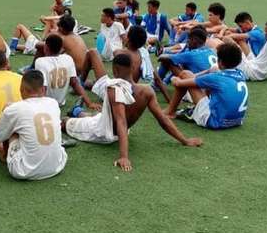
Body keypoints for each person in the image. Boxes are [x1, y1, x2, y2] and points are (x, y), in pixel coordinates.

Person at [64, 53, 202, 172]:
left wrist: (124, 156)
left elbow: (121, 121)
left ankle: (73, 115)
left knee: (64, 123)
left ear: (115, 70)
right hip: (114, 128)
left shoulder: (114, 88)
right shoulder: (146, 90)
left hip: (103, 134)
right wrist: (184, 140)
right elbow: (162, 119)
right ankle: (77, 111)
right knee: (95, 117)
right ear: (132, 68)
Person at [0, 70, 68, 180]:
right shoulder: (53, 103)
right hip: (57, 165)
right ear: (43, 89)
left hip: (24, 171)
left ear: (21, 90)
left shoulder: (14, 109)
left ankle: (5, 156)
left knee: (11, 127)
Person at [167, 43, 249, 129]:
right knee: (213, 88)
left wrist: (174, 79)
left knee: (185, 74)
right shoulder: (240, 74)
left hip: (214, 121)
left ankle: (170, 111)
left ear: (220, 62)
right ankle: (194, 110)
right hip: (237, 121)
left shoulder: (216, 77)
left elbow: (178, 83)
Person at [35, 34, 100, 110]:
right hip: (61, 102)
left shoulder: (40, 62)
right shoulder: (68, 59)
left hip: (47, 104)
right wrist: (89, 103)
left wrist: (39, 106)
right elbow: (75, 83)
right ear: (61, 49)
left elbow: (43, 87)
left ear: (45, 48)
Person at [157, 27, 217, 101]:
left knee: (169, 61)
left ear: (194, 40)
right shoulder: (211, 50)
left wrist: (162, 55)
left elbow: (163, 57)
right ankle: (164, 81)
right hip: (215, 90)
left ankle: (156, 84)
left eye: (189, 39)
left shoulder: (191, 54)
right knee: (180, 62)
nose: (187, 41)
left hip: (200, 92)